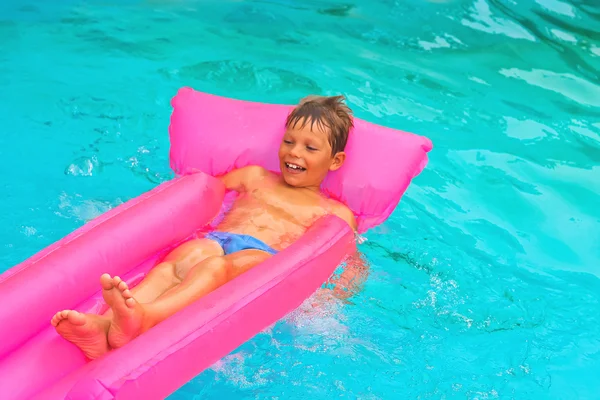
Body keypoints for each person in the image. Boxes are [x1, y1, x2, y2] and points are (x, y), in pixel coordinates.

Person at [51, 94, 367, 360]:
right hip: (220, 238)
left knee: (216, 267)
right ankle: (105, 327)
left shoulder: (334, 211)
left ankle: (144, 318)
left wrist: (333, 298)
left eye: (310, 148)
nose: (295, 153)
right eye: (289, 141)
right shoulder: (253, 176)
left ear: (335, 161)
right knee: (181, 260)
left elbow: (352, 262)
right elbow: (200, 201)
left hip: (264, 259)